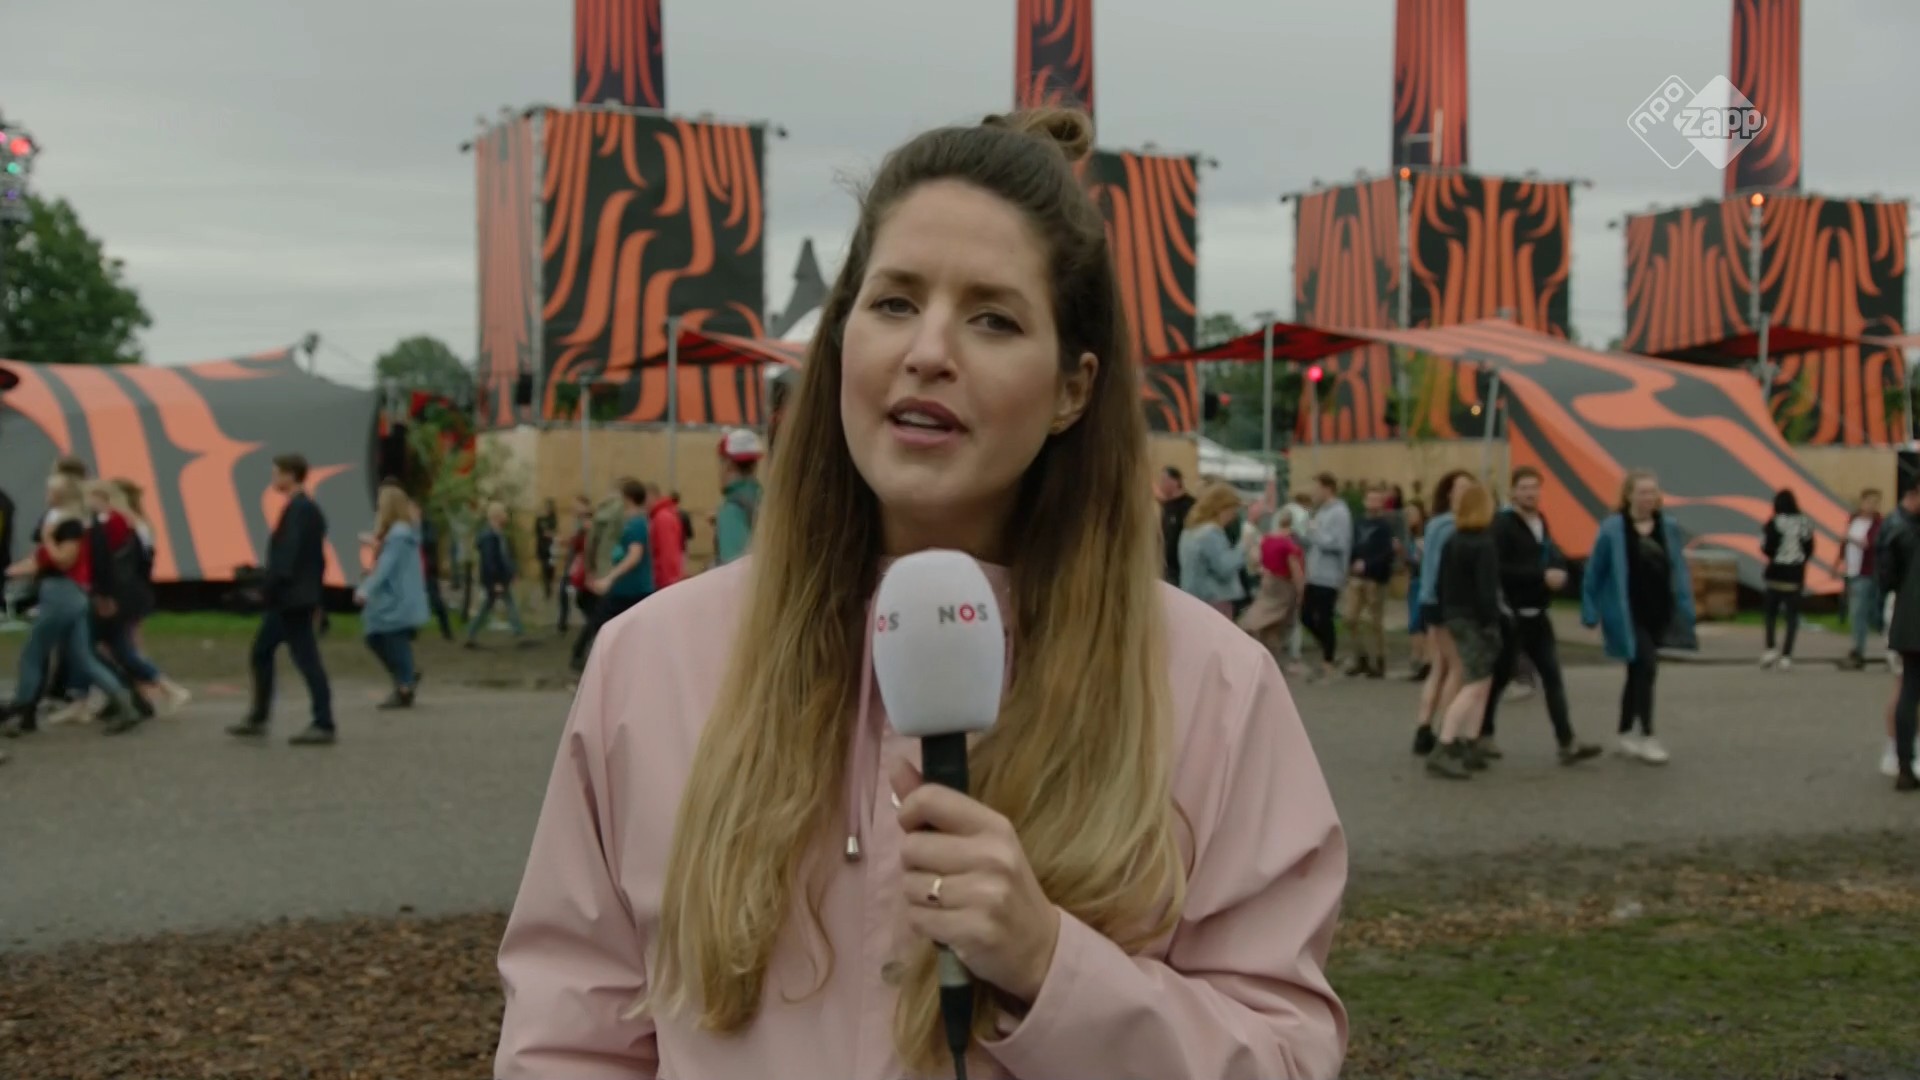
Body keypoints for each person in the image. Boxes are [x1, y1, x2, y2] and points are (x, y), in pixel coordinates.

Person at [495, 108, 1347, 1080]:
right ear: (840, 341)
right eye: (895, 302)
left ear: (1073, 388)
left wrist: (1052, 966)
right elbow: (568, 1041)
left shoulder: (1213, 691)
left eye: (993, 318)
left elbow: (1286, 1054)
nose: (929, 350)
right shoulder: (650, 664)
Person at [0, 476, 141, 735]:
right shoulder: (66, 522)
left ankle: (19, 710)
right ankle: (126, 705)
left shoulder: (69, 525)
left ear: (59, 495)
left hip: (60, 595)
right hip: (69, 594)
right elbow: (39, 561)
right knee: (83, 657)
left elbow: (64, 560)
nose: (46, 494)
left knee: (32, 653)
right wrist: (8, 572)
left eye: (50, 490)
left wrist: (48, 538)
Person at [1480, 467, 1600, 765]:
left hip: (1539, 615)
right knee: (1499, 677)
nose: (1530, 493)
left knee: (1552, 677)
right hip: (1512, 616)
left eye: (1534, 487)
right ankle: (1482, 734)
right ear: (1513, 492)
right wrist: (1540, 576)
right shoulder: (1502, 525)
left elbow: (1549, 554)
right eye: (1524, 488)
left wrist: (1559, 570)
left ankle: (1567, 742)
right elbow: (1499, 569)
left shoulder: (1541, 521)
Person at [1581, 469, 1696, 765]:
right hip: (1627, 613)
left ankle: (1623, 733)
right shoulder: (1613, 529)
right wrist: (1590, 611)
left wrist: (1686, 606)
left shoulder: (1668, 527)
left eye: (1653, 492)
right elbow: (1595, 572)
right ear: (1629, 495)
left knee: (1637, 672)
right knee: (1647, 666)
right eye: (1642, 492)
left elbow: (1678, 569)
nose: (1648, 498)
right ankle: (1647, 735)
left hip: (1659, 611)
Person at [228, 454, 334, 746]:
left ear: (291, 475)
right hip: (292, 597)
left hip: (292, 599)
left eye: (276, 473)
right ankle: (259, 716)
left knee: (306, 659)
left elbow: (288, 556)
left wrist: (266, 588)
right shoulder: (304, 509)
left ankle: (323, 722)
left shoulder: (300, 510)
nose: (273, 479)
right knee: (262, 652)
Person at [1427, 483, 1502, 779]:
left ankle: (1470, 743)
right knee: (1475, 684)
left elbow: (1440, 583)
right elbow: (1486, 592)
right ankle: (1445, 743)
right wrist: (1492, 623)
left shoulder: (1453, 540)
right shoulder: (1484, 544)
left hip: (1453, 615)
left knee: (1481, 681)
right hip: (1475, 619)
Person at [1411, 470, 1474, 755]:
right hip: (1446, 600)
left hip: (1430, 599)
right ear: (1449, 493)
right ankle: (1444, 730)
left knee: (1440, 665)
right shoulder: (1453, 525)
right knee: (1457, 666)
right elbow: (1444, 567)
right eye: (1460, 487)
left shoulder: (1434, 523)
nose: (1465, 492)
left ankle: (1424, 727)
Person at [356, 485, 430, 709]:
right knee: (388, 638)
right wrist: (376, 543)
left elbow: (386, 567)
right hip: (401, 595)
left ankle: (404, 684)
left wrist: (365, 589)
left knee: (386, 637)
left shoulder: (398, 535)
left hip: (395, 597)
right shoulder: (405, 532)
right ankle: (405, 678)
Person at [572, 478, 652, 669]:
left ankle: (592, 662)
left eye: (620, 497)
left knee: (602, 625)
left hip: (631, 590)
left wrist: (609, 578)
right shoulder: (628, 523)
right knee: (605, 626)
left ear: (628, 499)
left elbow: (634, 555)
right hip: (623, 590)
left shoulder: (636, 524)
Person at [1877, 481, 1920, 791]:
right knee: (1907, 688)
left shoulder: (1899, 529)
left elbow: (1887, 578)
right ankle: (1901, 757)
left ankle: (1903, 760)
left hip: (1908, 619)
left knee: (1908, 688)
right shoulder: (1901, 529)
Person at [1299, 472, 1352, 680]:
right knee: (1305, 615)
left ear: (1327, 489)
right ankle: (1329, 650)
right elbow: (1314, 540)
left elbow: (1338, 543)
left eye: (1316, 488)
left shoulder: (1340, 512)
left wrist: (1315, 533)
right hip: (1314, 573)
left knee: (1324, 617)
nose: (1313, 493)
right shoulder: (1321, 512)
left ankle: (1328, 661)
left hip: (1329, 575)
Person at [1759, 488, 1817, 670]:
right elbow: (1810, 548)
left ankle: (1770, 648)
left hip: (1776, 573)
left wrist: (1777, 555)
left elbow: (1766, 547)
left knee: (1770, 614)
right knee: (1792, 617)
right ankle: (1787, 655)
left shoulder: (1774, 522)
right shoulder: (1805, 523)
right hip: (1795, 574)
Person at [1238, 509, 1304, 667]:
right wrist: (1301, 592)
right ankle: (1250, 631)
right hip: (1283, 584)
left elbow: (1257, 560)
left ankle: (1267, 658)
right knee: (1275, 621)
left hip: (1267, 580)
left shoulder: (1267, 539)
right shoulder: (1289, 545)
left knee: (1270, 620)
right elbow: (1296, 572)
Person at [1345, 484, 1394, 678]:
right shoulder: (1358, 523)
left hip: (1376, 578)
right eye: (1370, 499)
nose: (1372, 503)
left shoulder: (1385, 526)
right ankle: (1360, 657)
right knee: (1350, 618)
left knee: (1374, 621)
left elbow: (1388, 552)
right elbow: (1352, 545)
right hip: (1356, 577)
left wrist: (1368, 564)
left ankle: (1379, 660)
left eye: (1376, 499)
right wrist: (1351, 563)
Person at [1176, 482, 1246, 616]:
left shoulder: (1189, 531)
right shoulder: (1211, 532)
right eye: (1232, 510)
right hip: (1213, 601)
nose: (1233, 516)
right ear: (1222, 508)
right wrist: (1242, 547)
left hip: (1191, 598)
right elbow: (1224, 568)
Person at [465, 501, 529, 647]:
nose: (506, 516)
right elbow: (489, 561)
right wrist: (495, 582)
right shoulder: (489, 536)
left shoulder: (497, 534)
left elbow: (504, 558)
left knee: (498, 604)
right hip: (495, 579)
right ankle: (518, 633)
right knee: (491, 606)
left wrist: (512, 572)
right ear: (497, 516)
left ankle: (472, 634)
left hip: (500, 578)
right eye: (504, 513)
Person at [1838, 488, 1883, 671]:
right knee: (1857, 611)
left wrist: (1851, 539)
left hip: (1866, 572)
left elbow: (1871, 545)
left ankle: (1858, 651)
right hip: (1852, 570)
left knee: (1859, 612)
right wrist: (1838, 564)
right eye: (1869, 501)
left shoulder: (1878, 524)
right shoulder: (1854, 520)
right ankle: (1857, 648)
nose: (1872, 506)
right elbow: (1844, 545)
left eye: (1875, 502)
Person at [713, 429, 764, 567]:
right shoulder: (765, 499)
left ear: (728, 464)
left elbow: (734, 567)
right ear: (754, 466)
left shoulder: (732, 509)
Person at [1400, 502, 1430, 680]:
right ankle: (1419, 659)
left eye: (1412, 513)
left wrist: (1404, 554)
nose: (1408, 517)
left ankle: (1424, 660)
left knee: (1419, 622)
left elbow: (1421, 562)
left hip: (1423, 581)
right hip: (1413, 581)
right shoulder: (1409, 536)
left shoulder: (1425, 535)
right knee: (1414, 622)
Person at [1155, 466, 1195, 584]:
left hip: (1180, 567)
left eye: (1164, 480)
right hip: (1165, 566)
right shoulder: (1166, 506)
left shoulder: (1189, 505)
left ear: (1175, 482)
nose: (1161, 484)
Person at [646, 483, 687, 589]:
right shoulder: (663, 515)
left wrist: (668, 584)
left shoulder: (661, 518)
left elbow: (668, 553)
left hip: (664, 582)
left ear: (651, 497)